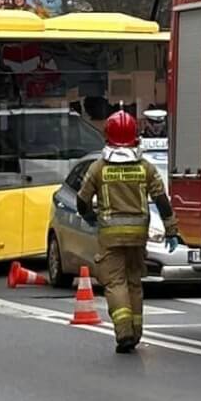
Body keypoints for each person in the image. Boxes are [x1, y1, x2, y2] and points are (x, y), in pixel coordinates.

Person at [76, 109, 179, 354]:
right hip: (138, 237)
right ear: (136, 136)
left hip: (110, 238)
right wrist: (171, 230)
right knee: (134, 282)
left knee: (116, 283)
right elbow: (162, 200)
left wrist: (92, 219)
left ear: (107, 136)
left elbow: (82, 201)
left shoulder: (99, 168)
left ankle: (124, 333)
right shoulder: (146, 168)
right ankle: (136, 331)